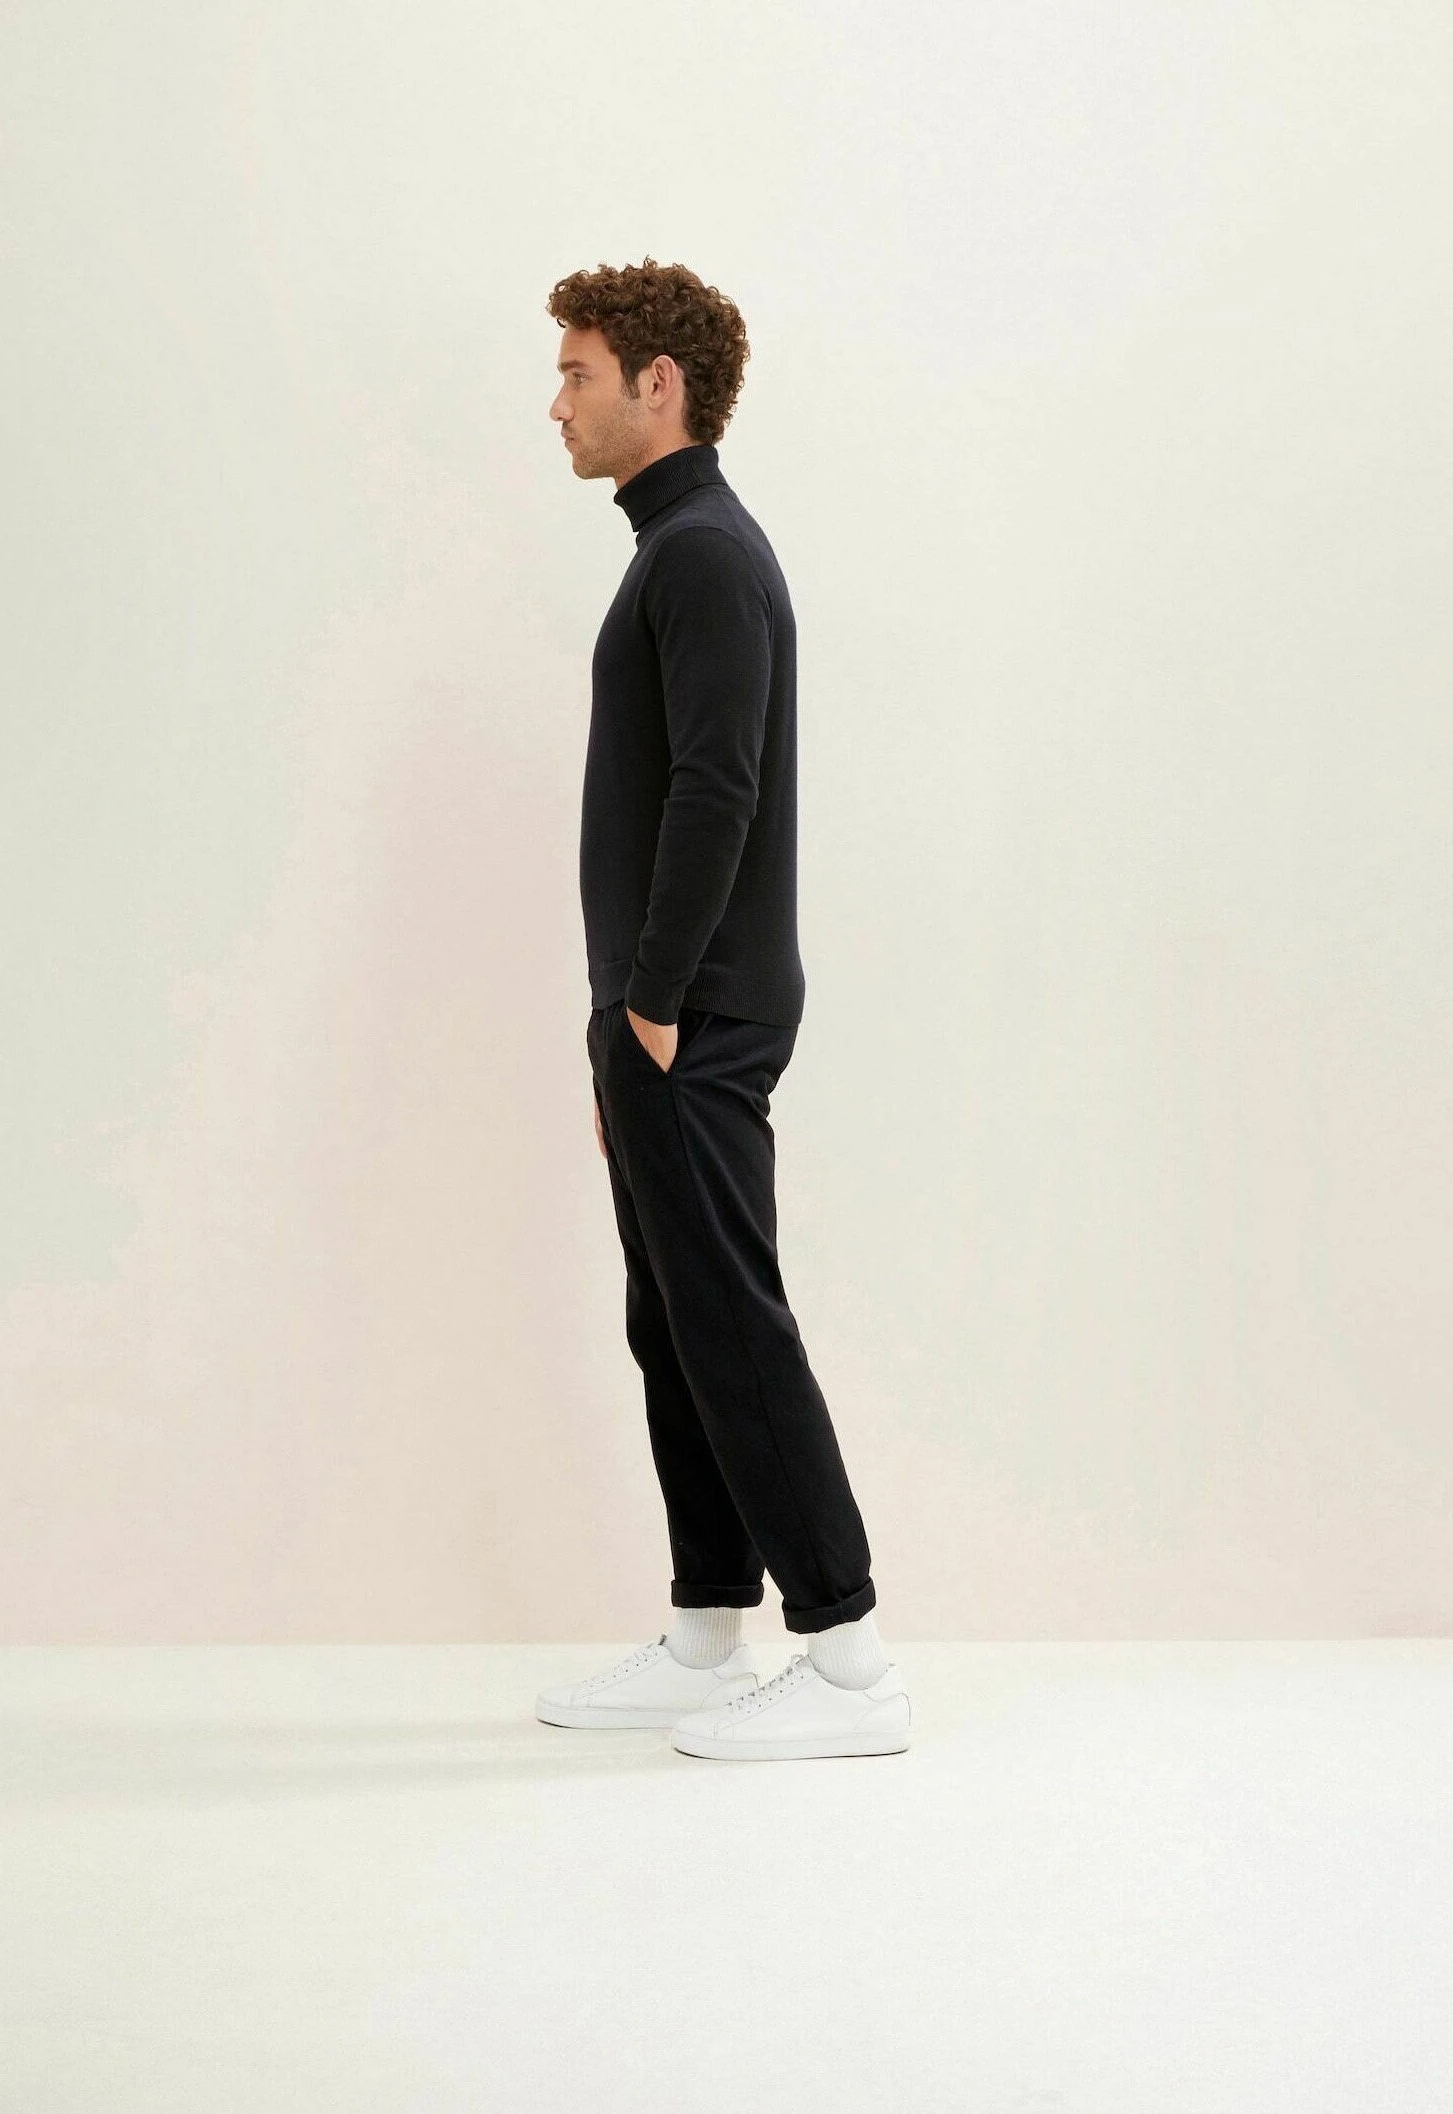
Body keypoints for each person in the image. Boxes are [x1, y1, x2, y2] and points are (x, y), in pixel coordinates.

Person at [535, 256, 910, 1761]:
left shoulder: (700, 553)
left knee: (730, 1320)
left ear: (659, 385)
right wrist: (626, 1019)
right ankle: (707, 1629)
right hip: (661, 1012)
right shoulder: (676, 548)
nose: (557, 403)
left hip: (691, 1010)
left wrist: (654, 1001)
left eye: (577, 373)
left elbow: (718, 787)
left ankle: (850, 1662)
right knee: (674, 1316)